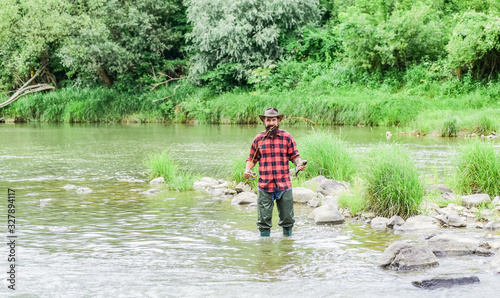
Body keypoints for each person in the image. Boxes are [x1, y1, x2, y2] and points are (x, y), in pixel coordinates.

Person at [244, 107, 306, 237]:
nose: (271, 123)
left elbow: (295, 156)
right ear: (264, 122)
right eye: (268, 120)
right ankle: (265, 252)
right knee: (263, 222)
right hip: (264, 186)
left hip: (284, 186)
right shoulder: (258, 139)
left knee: (288, 220)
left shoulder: (287, 137)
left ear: (278, 121)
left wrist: (299, 164)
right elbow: (251, 158)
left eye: (273, 120)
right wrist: (247, 170)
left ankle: (287, 246)